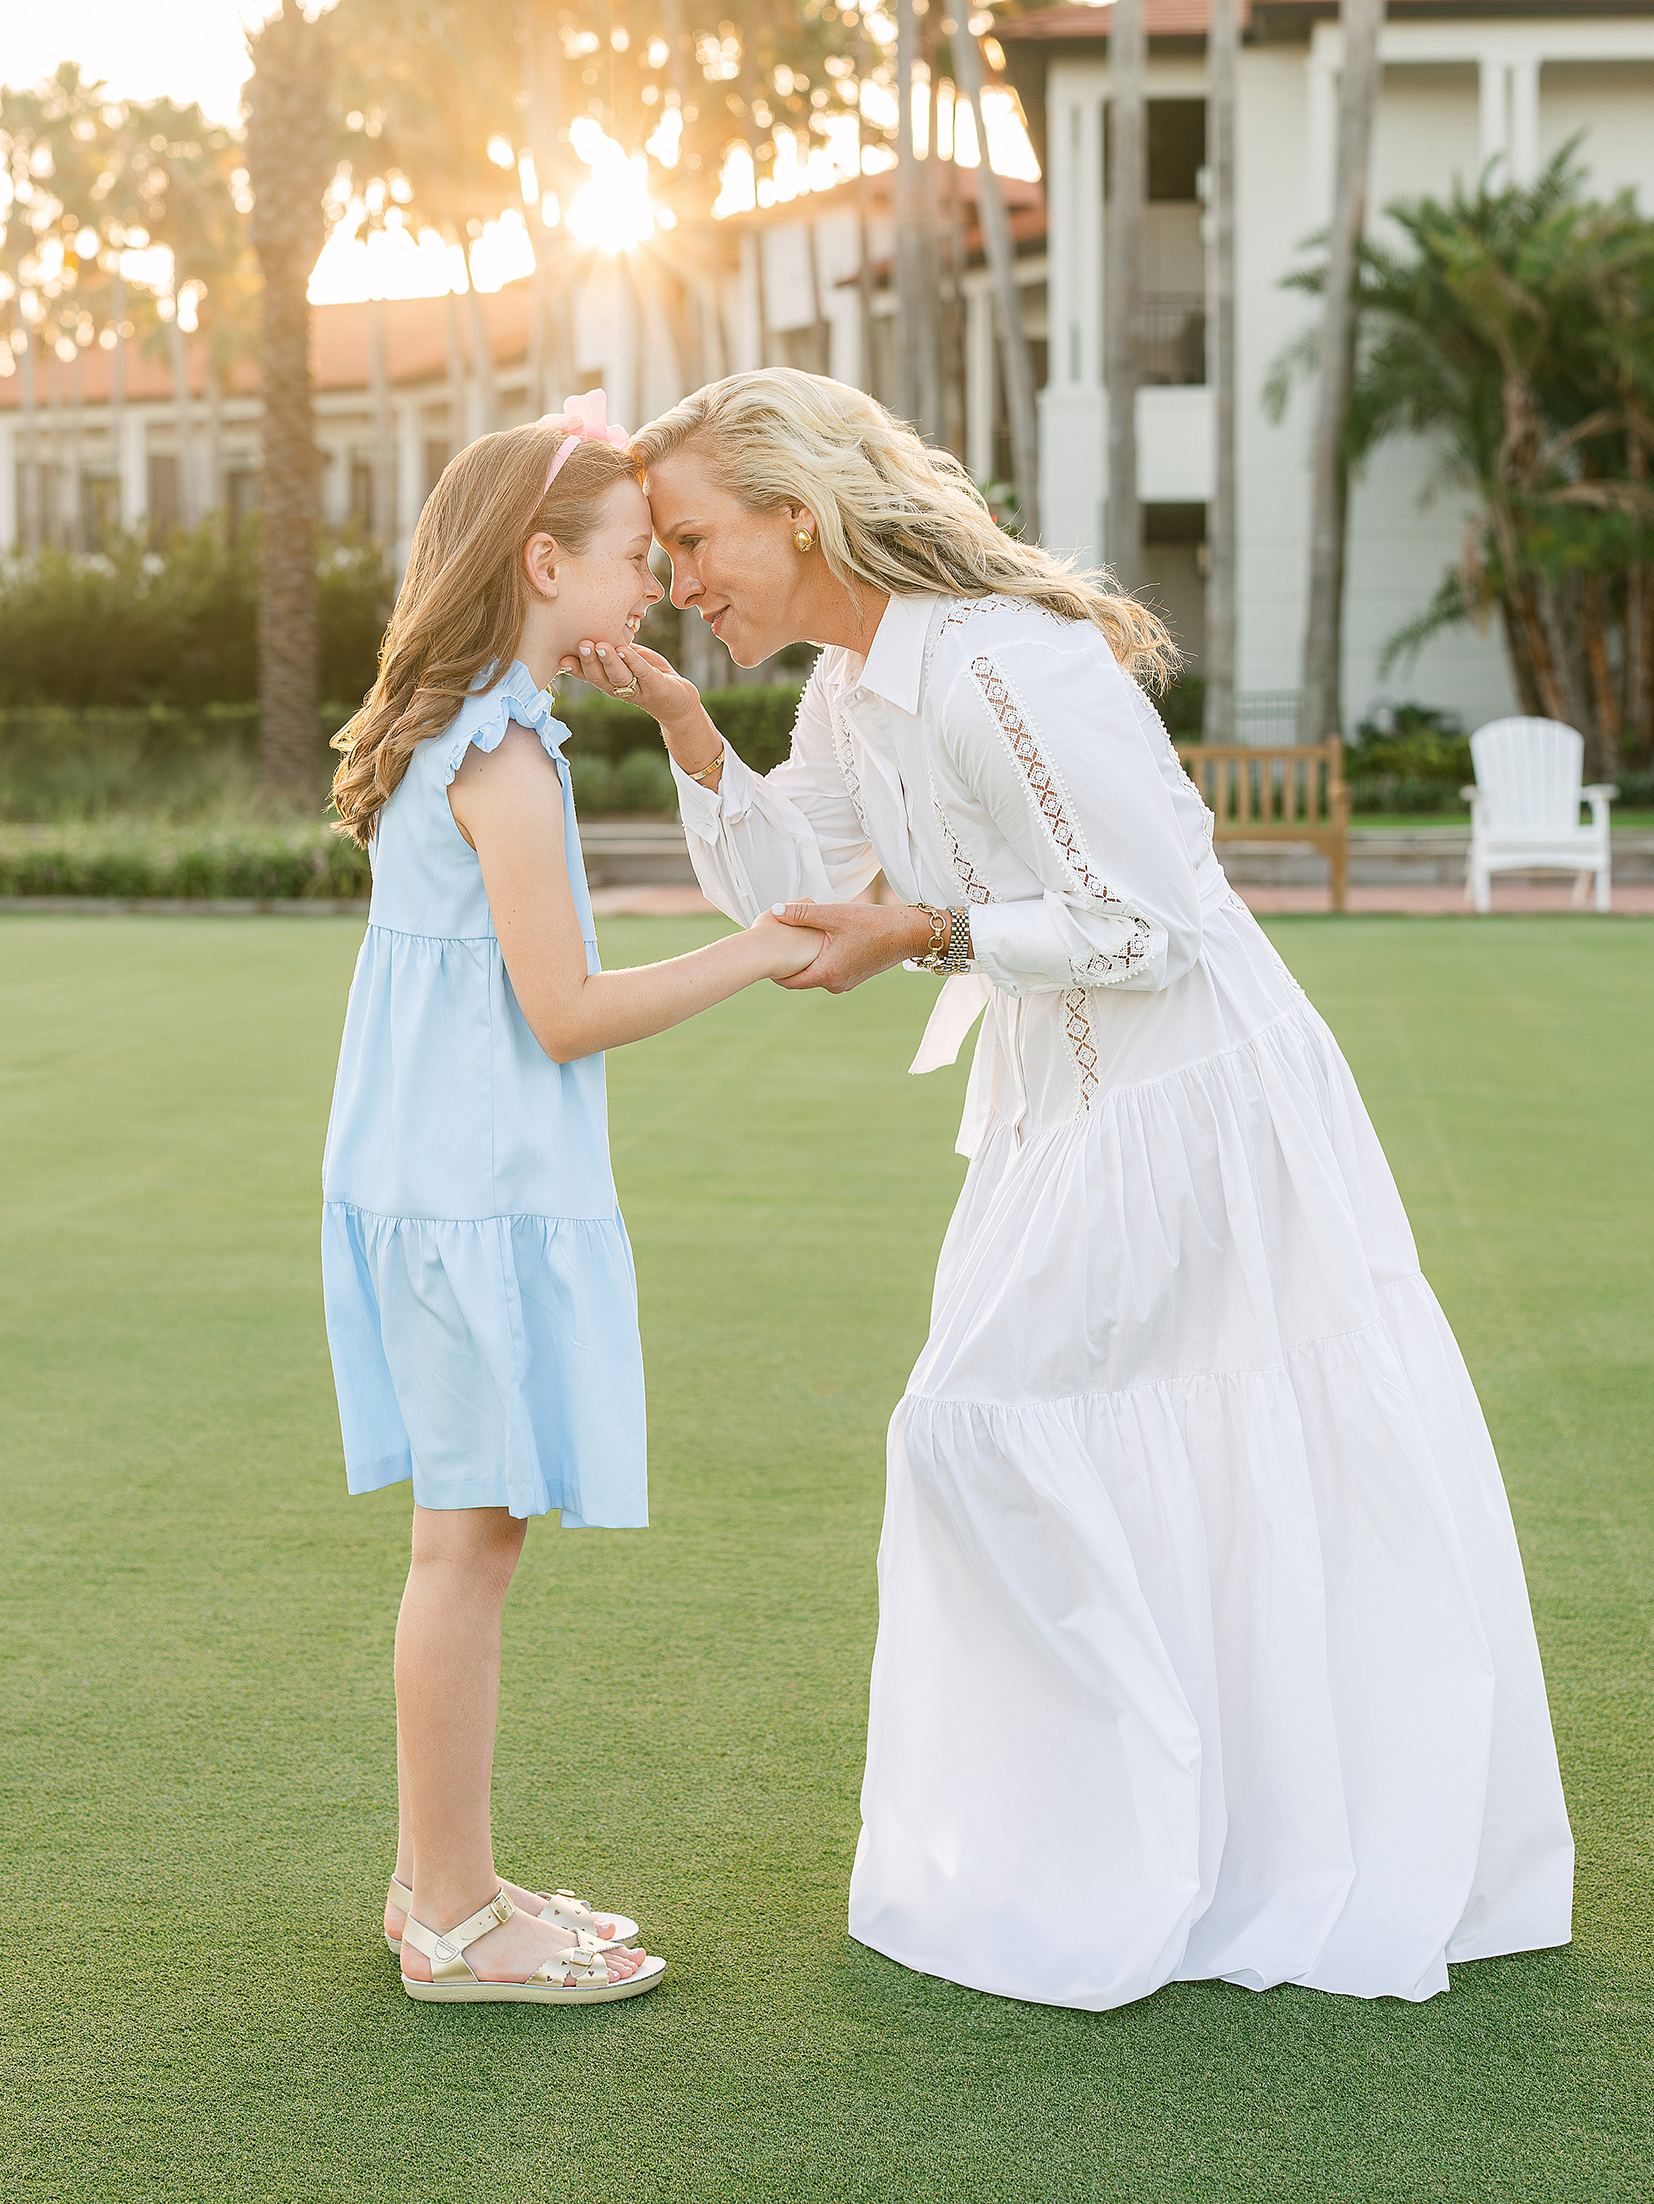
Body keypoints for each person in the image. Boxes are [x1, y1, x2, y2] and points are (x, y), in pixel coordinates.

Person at [569, 365, 1574, 2012]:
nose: (676, 580)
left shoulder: (1003, 669)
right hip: (1059, 1111)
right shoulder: (846, 684)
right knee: (1040, 1441)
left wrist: (935, 932)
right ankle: (1123, 1845)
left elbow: (1156, 924)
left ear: (799, 515)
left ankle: (1154, 1858)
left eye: (690, 538)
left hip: (1195, 1106)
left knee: (992, 1427)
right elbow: (800, 896)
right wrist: (690, 731)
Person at [322, 397, 820, 2006]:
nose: (654, 589)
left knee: (469, 1534)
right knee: (468, 1545)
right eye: (628, 563)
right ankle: (456, 1926)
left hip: (440, 1178)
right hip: (471, 1190)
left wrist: (682, 719)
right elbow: (566, 1011)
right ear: (544, 561)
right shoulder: (509, 758)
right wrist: (758, 947)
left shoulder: (467, 723)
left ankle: (438, 1883)